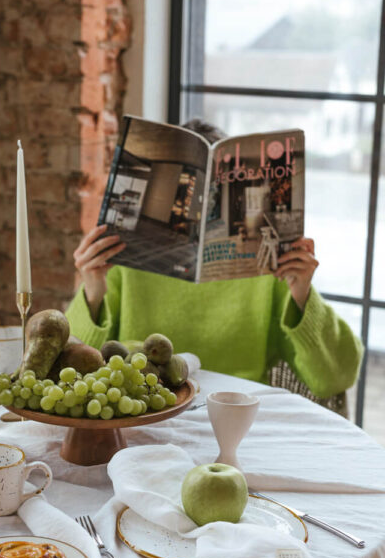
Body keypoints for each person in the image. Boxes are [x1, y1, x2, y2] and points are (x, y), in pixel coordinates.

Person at [65, 120, 363, 400]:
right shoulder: (126, 261)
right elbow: (73, 373)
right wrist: (92, 290)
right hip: (145, 412)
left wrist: (302, 295)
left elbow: (336, 377)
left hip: (239, 417)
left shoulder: (268, 267)